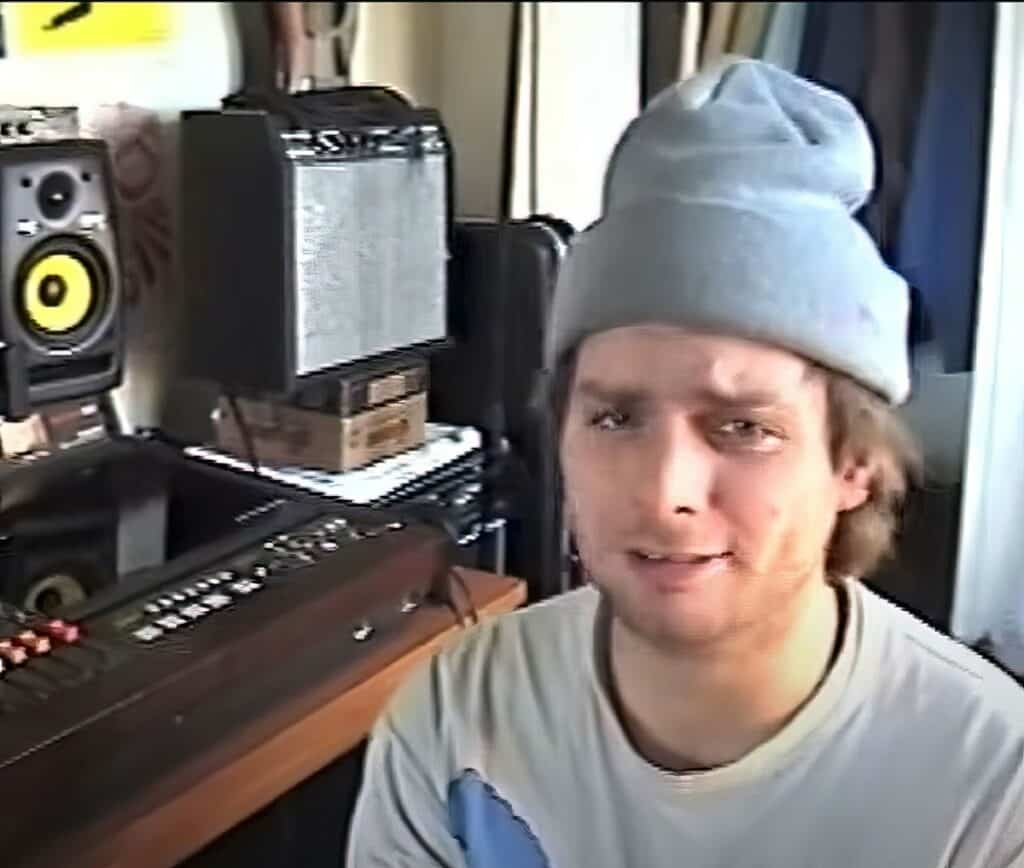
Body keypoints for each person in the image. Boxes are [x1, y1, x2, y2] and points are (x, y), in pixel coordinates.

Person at [347, 59, 1024, 867]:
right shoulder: (455, 717)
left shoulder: (989, 790)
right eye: (615, 417)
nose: (666, 491)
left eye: (742, 427)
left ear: (855, 466)